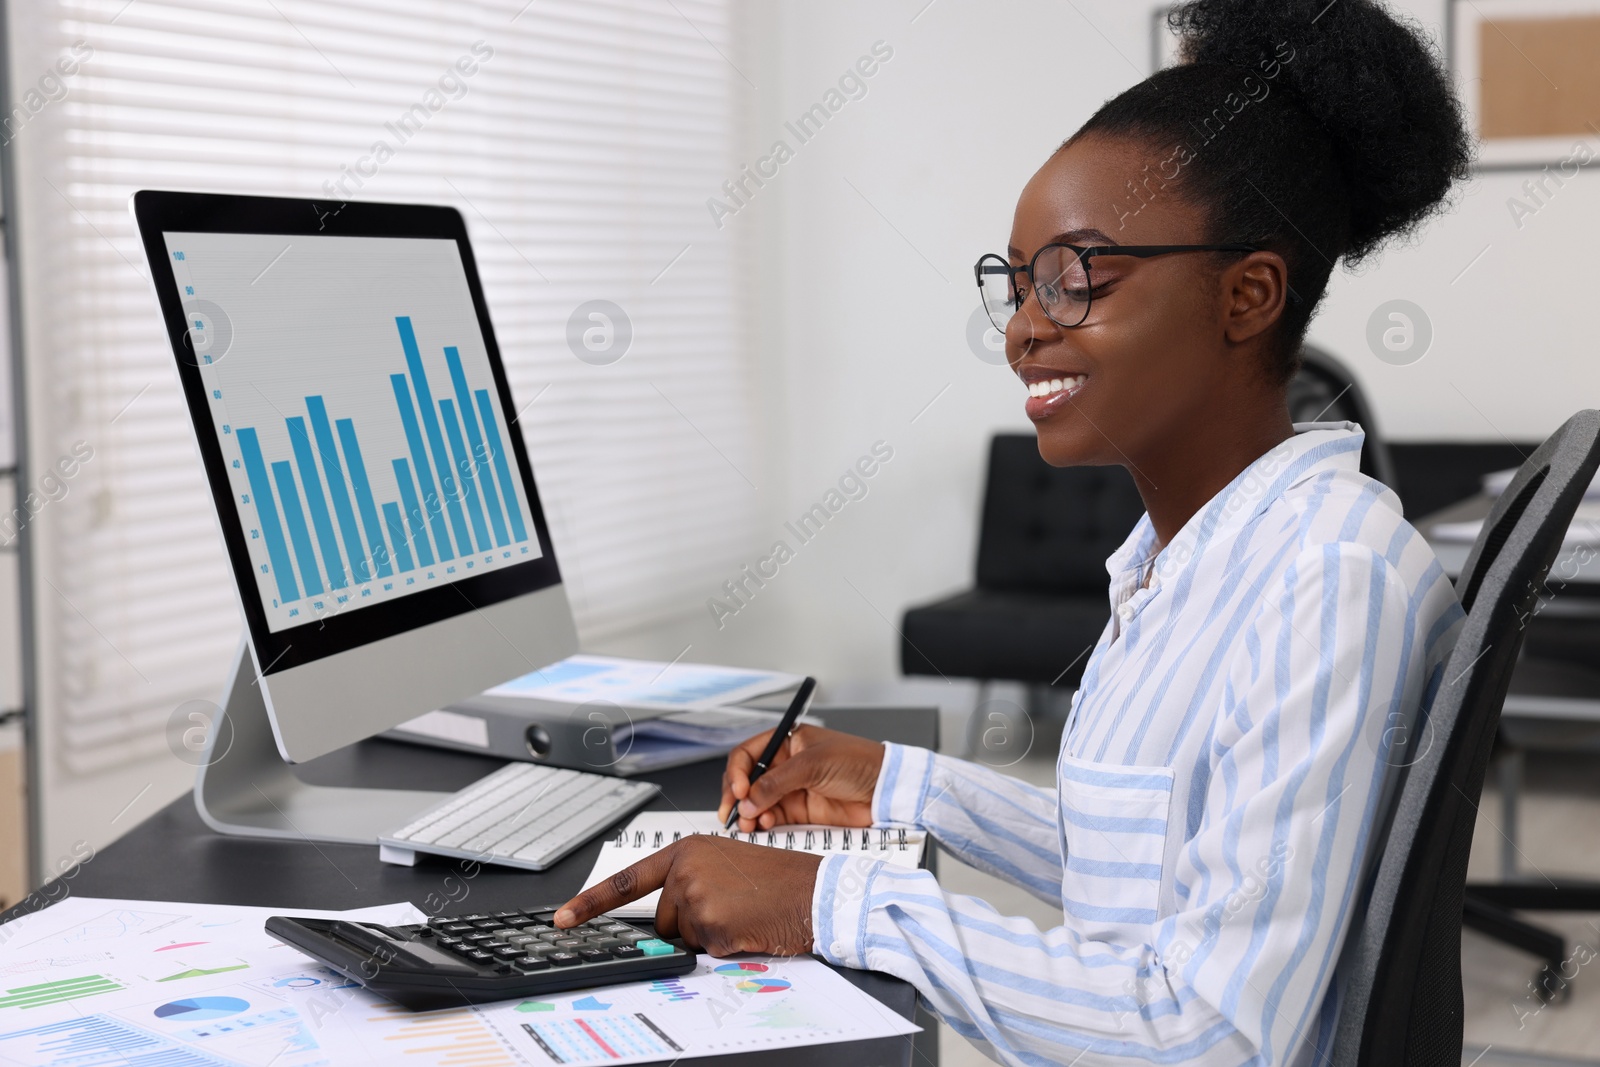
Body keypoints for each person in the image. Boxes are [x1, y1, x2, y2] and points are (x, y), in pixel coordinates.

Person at [556, 0, 1473, 1061]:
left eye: (1077, 277)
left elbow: (1207, 1032)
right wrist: (893, 780)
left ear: (1247, 295)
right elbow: (1145, 861)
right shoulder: (1197, 558)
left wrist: (831, 900)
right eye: (1018, 280)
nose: (1024, 325)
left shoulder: (1324, 582)